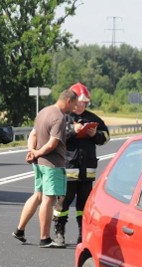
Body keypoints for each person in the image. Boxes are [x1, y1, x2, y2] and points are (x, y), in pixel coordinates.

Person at [12, 89, 77, 248]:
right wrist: (38, 152)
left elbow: (33, 135)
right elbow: (52, 143)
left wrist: (32, 152)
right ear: (68, 101)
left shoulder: (43, 112)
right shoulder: (59, 117)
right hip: (52, 164)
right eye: (74, 105)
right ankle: (45, 238)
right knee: (49, 199)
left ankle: (20, 230)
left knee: (37, 195)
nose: (73, 108)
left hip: (39, 163)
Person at [52, 82, 109, 246]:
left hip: (87, 171)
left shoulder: (94, 118)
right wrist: (72, 131)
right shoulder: (63, 117)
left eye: (84, 103)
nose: (80, 106)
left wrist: (94, 134)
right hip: (68, 169)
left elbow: (105, 137)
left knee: (83, 206)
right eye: (78, 103)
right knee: (62, 204)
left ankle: (82, 235)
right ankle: (59, 234)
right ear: (72, 101)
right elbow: (55, 136)